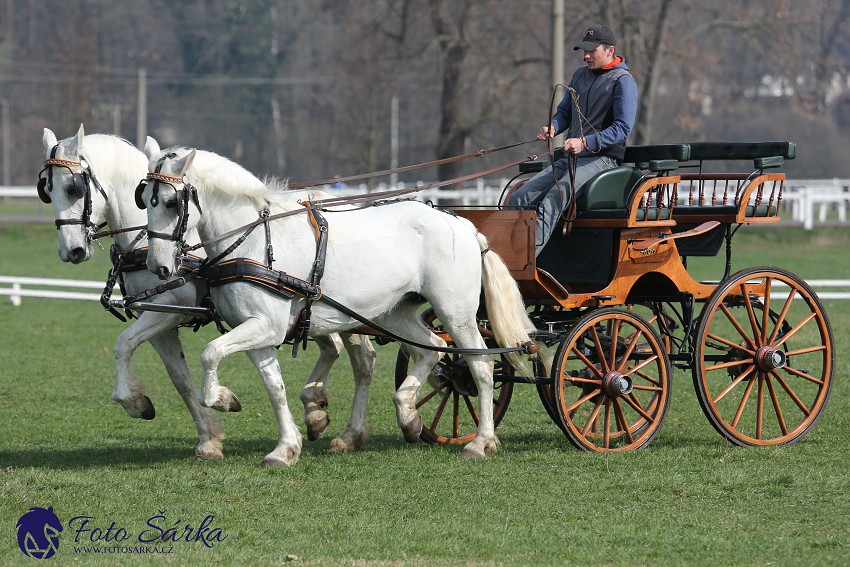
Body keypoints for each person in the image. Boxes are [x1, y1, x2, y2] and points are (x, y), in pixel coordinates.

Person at [508, 23, 638, 254]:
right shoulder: (580, 75)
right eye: (583, 51)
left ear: (610, 50)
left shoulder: (622, 81)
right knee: (518, 198)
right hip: (571, 158)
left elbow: (622, 128)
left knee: (553, 199)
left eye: (591, 50)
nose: (586, 56)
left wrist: (585, 142)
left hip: (603, 160)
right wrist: (553, 127)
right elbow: (565, 113)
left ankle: (524, 263)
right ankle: (507, 257)